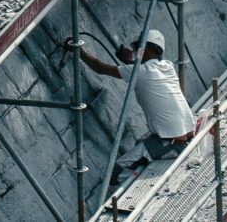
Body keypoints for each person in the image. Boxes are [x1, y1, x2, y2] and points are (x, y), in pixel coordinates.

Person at [72, 28, 195, 163]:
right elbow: (145, 72)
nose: (137, 52)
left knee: (116, 172)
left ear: (146, 48)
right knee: (140, 143)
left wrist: (77, 49)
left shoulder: (140, 72)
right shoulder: (168, 66)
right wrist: (130, 61)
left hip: (174, 144)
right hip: (188, 134)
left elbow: (99, 67)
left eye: (138, 48)